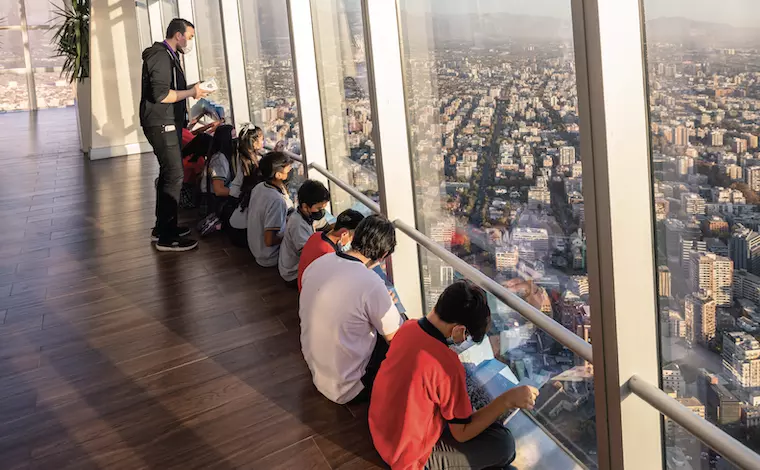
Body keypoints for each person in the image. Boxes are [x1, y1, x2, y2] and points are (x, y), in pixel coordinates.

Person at [368, 280, 540, 470]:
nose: (463, 343)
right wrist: (507, 400)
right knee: (504, 444)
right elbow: (462, 433)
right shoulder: (446, 365)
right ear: (459, 330)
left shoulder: (408, 328)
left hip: (380, 430)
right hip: (407, 457)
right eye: (467, 338)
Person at [299, 215, 405, 405]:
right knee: (400, 336)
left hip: (316, 371)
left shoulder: (319, 263)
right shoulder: (372, 284)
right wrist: (387, 305)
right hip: (349, 388)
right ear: (383, 255)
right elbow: (396, 339)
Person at [140, 18, 210, 252]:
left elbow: (169, 90)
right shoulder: (161, 56)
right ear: (178, 35)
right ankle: (167, 237)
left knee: (169, 174)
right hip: (162, 124)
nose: (189, 42)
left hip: (166, 123)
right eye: (189, 37)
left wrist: (193, 89)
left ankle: (163, 228)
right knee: (174, 174)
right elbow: (161, 95)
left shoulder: (168, 56)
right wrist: (191, 92)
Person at [245, 151, 294, 266]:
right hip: (270, 256)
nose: (291, 172)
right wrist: (291, 236)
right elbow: (269, 240)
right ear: (278, 175)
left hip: (256, 248)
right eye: (288, 170)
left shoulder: (259, 187)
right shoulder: (277, 201)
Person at [278, 180, 330, 286]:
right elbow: (309, 255)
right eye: (319, 208)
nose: (322, 212)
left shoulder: (310, 215)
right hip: (293, 274)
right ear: (305, 206)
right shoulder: (297, 224)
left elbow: (326, 227)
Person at [297, 208, 365, 290]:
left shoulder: (316, 235)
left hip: (304, 286)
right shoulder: (330, 255)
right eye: (352, 237)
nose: (352, 241)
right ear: (344, 234)